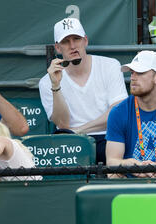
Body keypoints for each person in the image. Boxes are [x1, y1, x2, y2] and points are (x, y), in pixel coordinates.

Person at [38, 17, 128, 164]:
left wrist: (78, 130)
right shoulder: (46, 81)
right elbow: (63, 124)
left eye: (77, 39)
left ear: (85, 41)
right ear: (58, 48)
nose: (72, 45)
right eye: (66, 41)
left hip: (109, 137)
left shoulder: (110, 65)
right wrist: (56, 86)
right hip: (73, 143)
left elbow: (118, 112)